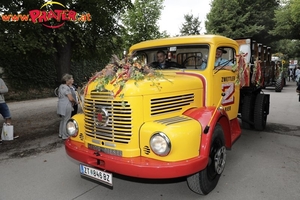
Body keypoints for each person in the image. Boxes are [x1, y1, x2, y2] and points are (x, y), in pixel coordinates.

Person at [57, 74, 76, 140]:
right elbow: (70, 98)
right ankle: (65, 135)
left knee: (62, 120)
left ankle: (61, 133)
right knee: (67, 120)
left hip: (61, 105)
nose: (71, 80)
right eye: (70, 79)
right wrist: (75, 101)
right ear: (67, 80)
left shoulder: (61, 86)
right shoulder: (67, 88)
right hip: (66, 105)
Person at [0, 78, 19, 143]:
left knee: (8, 117)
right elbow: (2, 90)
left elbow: (5, 90)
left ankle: (9, 133)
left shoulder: (0, 80)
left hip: (1, 102)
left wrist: (2, 90)